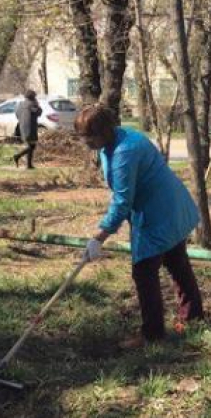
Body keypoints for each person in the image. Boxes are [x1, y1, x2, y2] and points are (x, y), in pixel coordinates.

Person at [76, 104, 204, 349]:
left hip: (158, 213)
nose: (85, 142)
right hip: (170, 206)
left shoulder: (125, 152)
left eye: (88, 137)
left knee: (144, 272)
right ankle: (193, 317)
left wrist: (99, 237)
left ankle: (153, 335)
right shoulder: (122, 137)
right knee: (177, 262)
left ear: (103, 132)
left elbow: (123, 201)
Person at [14, 90, 42, 169]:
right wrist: (38, 105)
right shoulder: (32, 104)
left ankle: (29, 165)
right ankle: (17, 156)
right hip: (31, 127)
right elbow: (39, 113)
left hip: (22, 126)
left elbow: (17, 114)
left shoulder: (21, 104)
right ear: (33, 97)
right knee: (32, 146)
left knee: (30, 145)